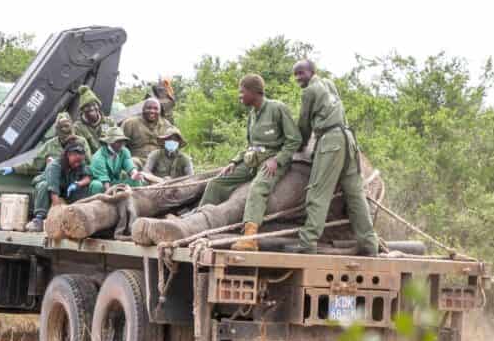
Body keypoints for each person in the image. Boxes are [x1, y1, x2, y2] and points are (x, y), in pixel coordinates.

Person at [197, 74, 301, 251]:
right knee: (217, 183)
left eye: (242, 92)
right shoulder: (252, 114)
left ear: (254, 92)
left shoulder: (277, 108)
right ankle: (201, 225)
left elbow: (294, 140)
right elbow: (250, 145)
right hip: (251, 159)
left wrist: (278, 160)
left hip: (272, 161)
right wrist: (234, 161)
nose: (240, 96)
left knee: (258, 188)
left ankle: (250, 237)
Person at [292, 59, 379, 256]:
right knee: (355, 195)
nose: (298, 78)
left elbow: (304, 123)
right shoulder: (329, 84)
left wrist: (299, 146)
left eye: (301, 73)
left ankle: (308, 242)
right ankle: (369, 243)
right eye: (295, 74)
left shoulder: (309, 92)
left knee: (318, 192)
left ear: (312, 72)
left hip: (330, 141)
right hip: (348, 139)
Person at [26, 139, 92, 232]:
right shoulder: (55, 166)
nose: (77, 164)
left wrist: (77, 184)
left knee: (83, 187)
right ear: (68, 155)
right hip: (50, 187)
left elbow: (87, 177)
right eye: (76, 161)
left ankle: (78, 215)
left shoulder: (80, 162)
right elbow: (54, 191)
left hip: (65, 188)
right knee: (43, 185)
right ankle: (39, 219)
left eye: (80, 161)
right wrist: (59, 215)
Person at [2, 112, 92, 176]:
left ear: (71, 126)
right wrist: (14, 169)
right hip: (56, 178)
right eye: (62, 127)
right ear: (57, 129)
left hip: (77, 177)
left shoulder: (81, 142)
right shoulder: (49, 145)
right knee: (43, 186)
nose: (65, 129)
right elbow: (36, 165)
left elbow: (89, 163)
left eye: (67, 126)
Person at [89, 126, 146, 193]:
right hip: (103, 184)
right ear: (110, 142)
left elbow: (130, 166)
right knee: (97, 185)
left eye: (123, 141)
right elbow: (105, 181)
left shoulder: (124, 151)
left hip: (115, 182)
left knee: (136, 179)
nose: (121, 144)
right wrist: (112, 195)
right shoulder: (99, 157)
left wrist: (135, 174)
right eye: (118, 141)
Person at [121, 97, 172, 167]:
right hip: (137, 160)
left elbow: (172, 145)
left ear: (160, 111)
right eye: (149, 108)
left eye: (155, 108)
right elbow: (120, 145)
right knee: (131, 163)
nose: (152, 111)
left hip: (158, 162)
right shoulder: (130, 123)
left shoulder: (166, 125)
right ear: (143, 109)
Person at [73, 85, 116, 152]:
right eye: (87, 106)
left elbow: (117, 143)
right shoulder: (77, 127)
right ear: (82, 110)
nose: (92, 108)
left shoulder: (109, 122)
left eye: (94, 104)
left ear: (98, 105)